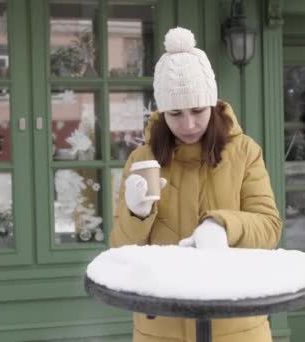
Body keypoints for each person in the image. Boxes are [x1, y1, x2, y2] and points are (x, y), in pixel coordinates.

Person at [110, 27, 283, 342]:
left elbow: (269, 228)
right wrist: (135, 214)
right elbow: (122, 251)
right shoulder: (142, 159)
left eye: (197, 110)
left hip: (236, 325)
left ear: (213, 105)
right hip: (161, 326)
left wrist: (223, 226)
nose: (187, 124)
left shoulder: (245, 152)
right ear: (162, 113)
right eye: (175, 113)